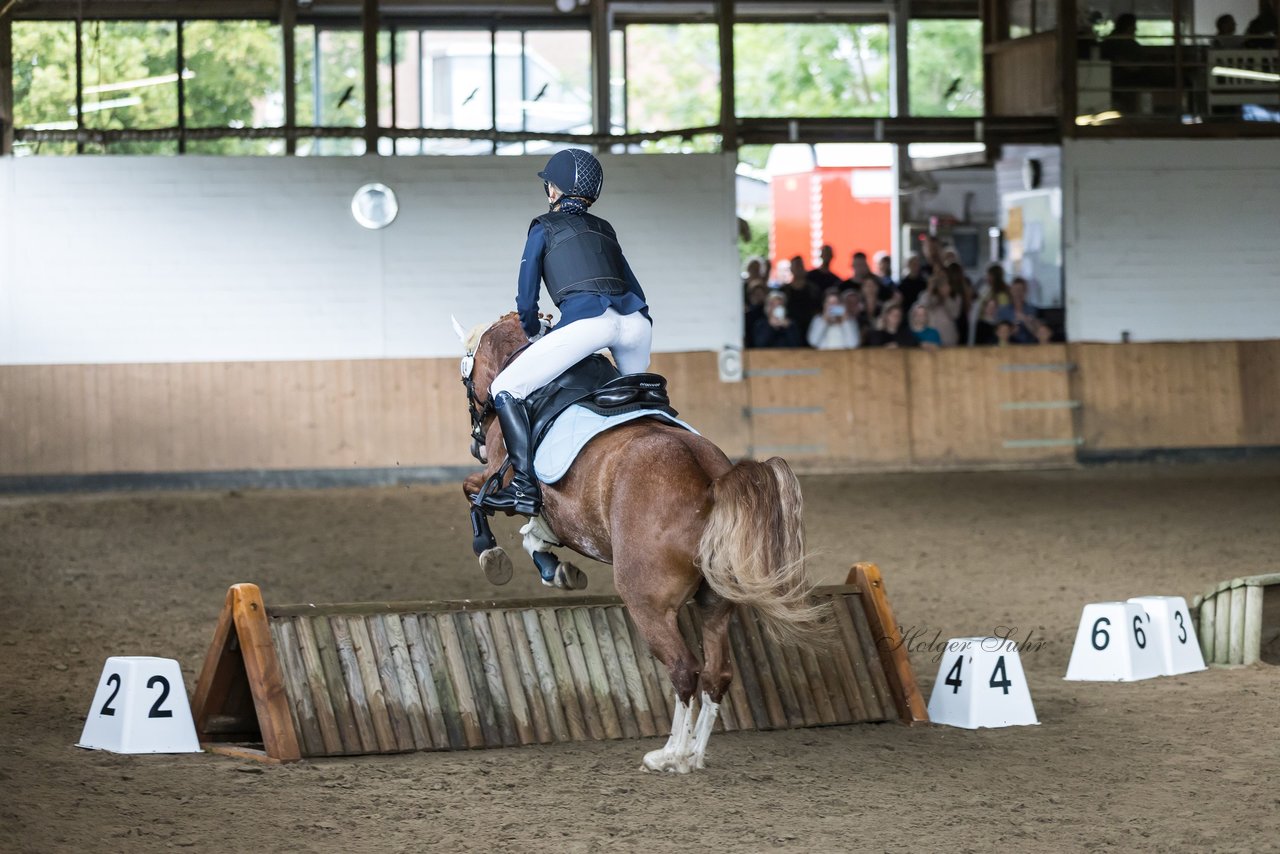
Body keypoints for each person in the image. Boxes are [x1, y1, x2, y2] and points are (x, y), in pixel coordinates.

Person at [483, 149, 652, 516]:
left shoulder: (543, 226)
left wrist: (531, 331)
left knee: (504, 389)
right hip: (636, 325)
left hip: (589, 325)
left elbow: (526, 297)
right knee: (643, 399)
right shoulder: (605, 228)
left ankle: (525, 488)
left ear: (553, 191)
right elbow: (635, 288)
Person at [918, 267, 962, 347]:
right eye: (938, 278)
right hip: (930, 338)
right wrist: (929, 290)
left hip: (948, 338)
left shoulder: (955, 297)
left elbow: (955, 314)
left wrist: (946, 296)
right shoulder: (926, 294)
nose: (941, 281)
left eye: (943, 278)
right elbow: (921, 309)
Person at [784, 255, 820, 337]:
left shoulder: (813, 289)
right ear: (791, 269)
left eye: (800, 265)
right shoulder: (785, 290)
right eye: (796, 266)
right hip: (790, 329)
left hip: (810, 329)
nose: (798, 269)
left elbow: (818, 310)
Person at [997, 276, 1041, 344]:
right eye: (1015, 290)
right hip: (1008, 347)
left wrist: (1026, 320)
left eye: (1020, 290)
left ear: (1025, 291)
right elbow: (999, 333)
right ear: (1011, 291)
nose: (1017, 293)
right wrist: (1010, 331)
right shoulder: (1003, 311)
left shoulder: (1032, 310)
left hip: (1029, 347)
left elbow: (1039, 333)